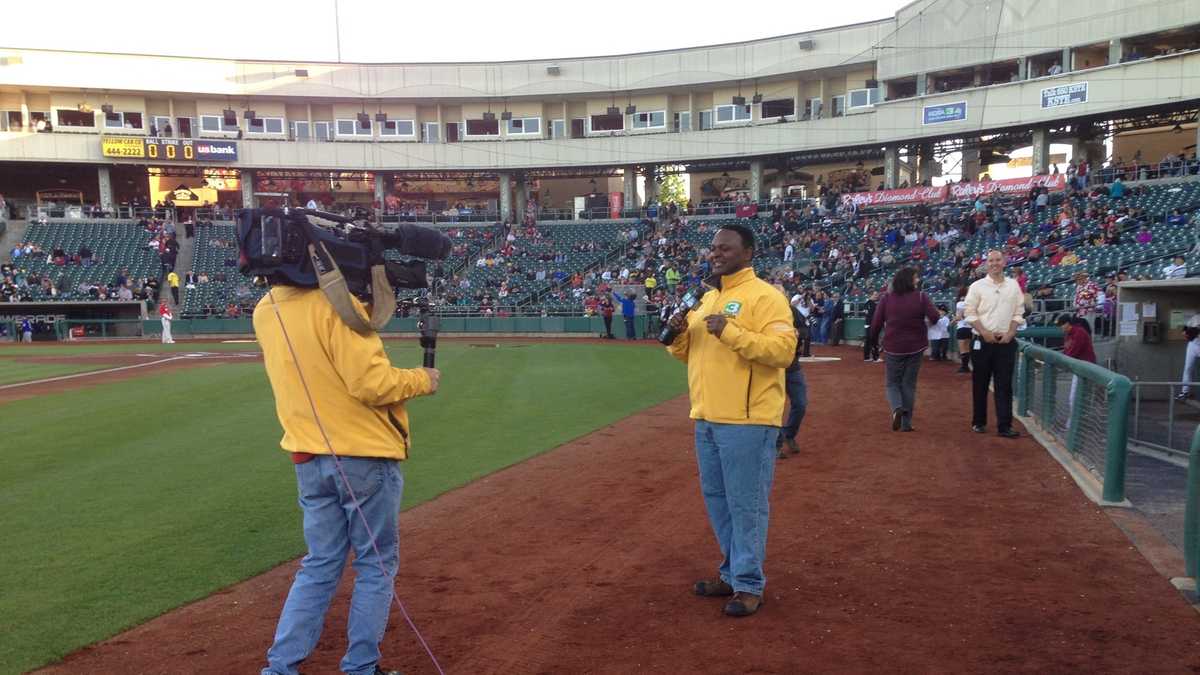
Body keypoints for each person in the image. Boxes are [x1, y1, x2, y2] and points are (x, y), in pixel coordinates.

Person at [254, 278, 440, 675]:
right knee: (376, 563)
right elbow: (371, 384)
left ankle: (280, 668)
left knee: (320, 563)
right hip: (362, 455)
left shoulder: (265, 306)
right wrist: (422, 380)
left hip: (307, 455)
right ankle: (360, 667)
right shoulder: (339, 304)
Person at [665, 224, 795, 618]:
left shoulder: (766, 297)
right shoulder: (706, 299)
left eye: (726, 248)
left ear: (748, 252)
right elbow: (695, 358)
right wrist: (678, 337)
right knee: (719, 503)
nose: (716, 253)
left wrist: (732, 331)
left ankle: (749, 584)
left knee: (747, 505)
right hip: (706, 416)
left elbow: (783, 351)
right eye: (713, 248)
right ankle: (732, 571)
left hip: (748, 420)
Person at [868, 267, 939, 432]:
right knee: (909, 384)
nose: (917, 280)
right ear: (909, 280)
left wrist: (873, 342)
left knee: (892, 383)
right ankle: (907, 423)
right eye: (915, 278)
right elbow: (934, 317)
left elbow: (876, 323)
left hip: (893, 346)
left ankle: (896, 408)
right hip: (916, 346)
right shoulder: (921, 297)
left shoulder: (887, 299)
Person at [965, 250, 1026, 437]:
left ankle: (1004, 425)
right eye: (991, 260)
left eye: (998, 260)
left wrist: (1011, 332)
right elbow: (970, 312)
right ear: (986, 263)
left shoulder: (1013, 285)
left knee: (1004, 385)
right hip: (982, 342)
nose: (994, 263)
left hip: (1006, 342)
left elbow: (1018, 312)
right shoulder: (977, 286)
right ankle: (979, 421)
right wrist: (984, 332)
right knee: (980, 383)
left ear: (1004, 262)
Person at [776, 286, 809, 460]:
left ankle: (788, 434)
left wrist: (798, 332)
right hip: (772, 366)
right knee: (774, 407)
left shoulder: (792, 311)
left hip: (792, 364)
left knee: (801, 403)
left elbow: (805, 329)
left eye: (782, 293)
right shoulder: (764, 312)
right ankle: (775, 443)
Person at [954, 286, 973, 373]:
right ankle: (966, 366)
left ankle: (964, 367)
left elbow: (959, 316)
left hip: (962, 327)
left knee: (963, 348)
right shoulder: (971, 303)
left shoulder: (960, 303)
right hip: (970, 327)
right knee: (967, 347)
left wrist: (953, 320)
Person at [862, 290, 881, 362]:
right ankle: (875, 358)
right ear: (870, 295)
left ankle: (866, 357)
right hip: (872, 325)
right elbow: (872, 316)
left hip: (867, 324)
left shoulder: (866, 303)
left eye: (877, 294)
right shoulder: (872, 304)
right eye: (875, 295)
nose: (877, 296)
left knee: (868, 341)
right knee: (874, 341)